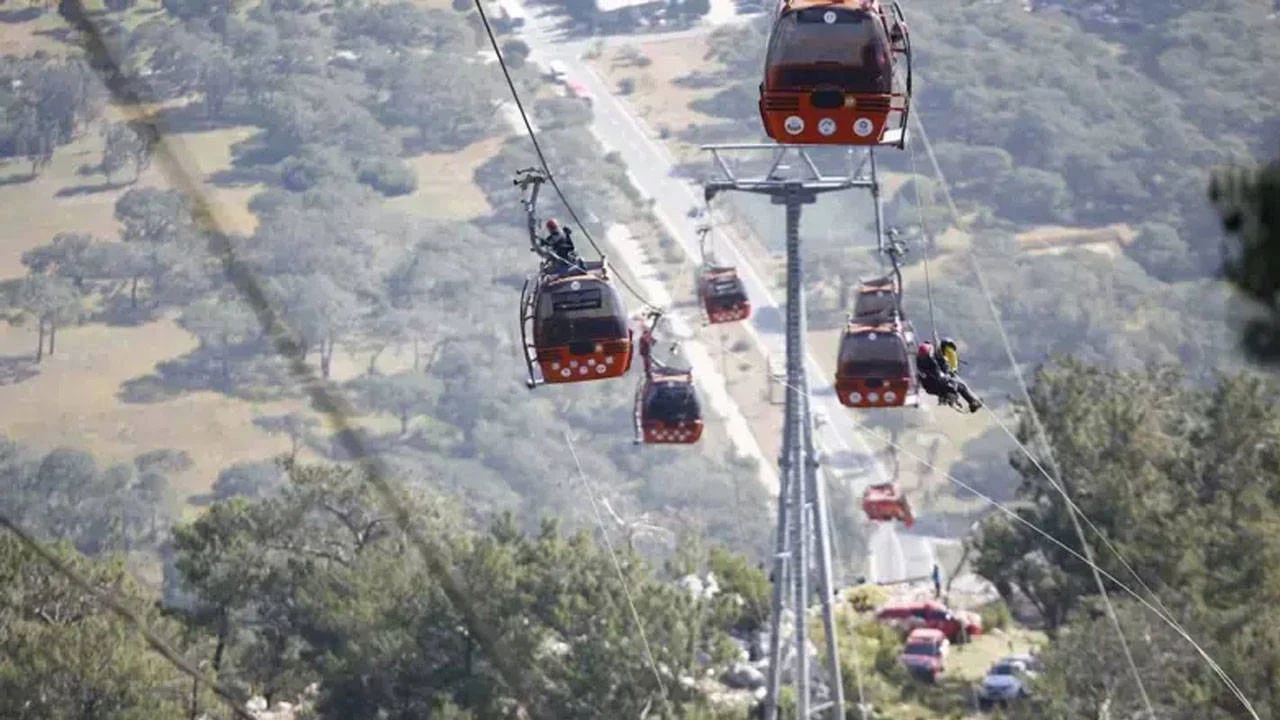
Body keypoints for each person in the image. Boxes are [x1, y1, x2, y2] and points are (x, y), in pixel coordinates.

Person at [916, 341, 982, 413]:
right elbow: (940, 371)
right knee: (960, 386)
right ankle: (972, 402)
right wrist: (949, 373)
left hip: (929, 388)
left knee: (948, 389)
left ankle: (951, 399)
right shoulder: (932, 362)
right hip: (938, 382)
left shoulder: (918, 362)